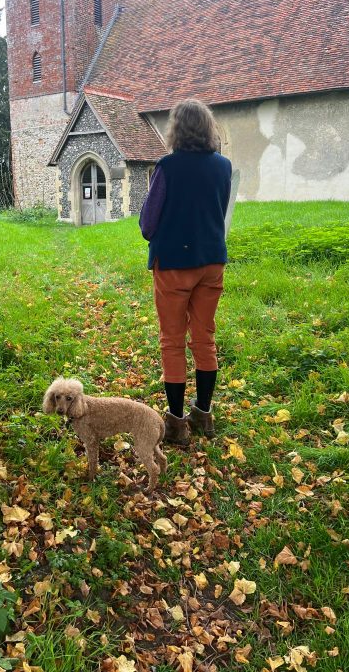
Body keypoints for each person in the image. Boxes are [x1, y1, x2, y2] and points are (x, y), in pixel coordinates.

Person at [140, 99, 232, 446]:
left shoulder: (167, 168)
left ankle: (177, 423)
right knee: (204, 337)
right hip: (212, 262)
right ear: (209, 129)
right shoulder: (224, 167)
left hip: (174, 266)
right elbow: (219, 214)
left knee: (172, 341)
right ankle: (203, 414)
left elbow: (148, 225)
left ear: (175, 129)